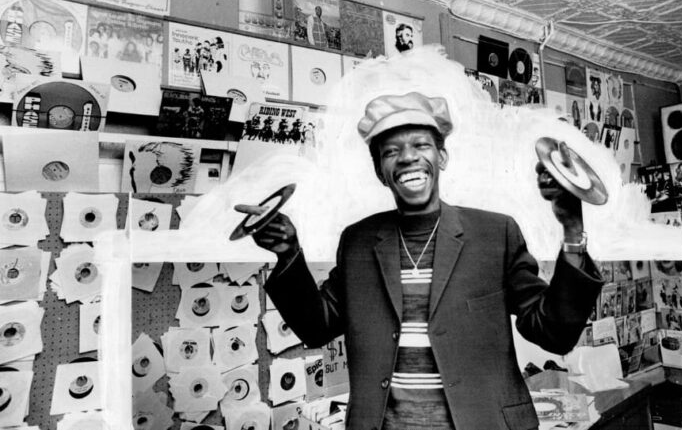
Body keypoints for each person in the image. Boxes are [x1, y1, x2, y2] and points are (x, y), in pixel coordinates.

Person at [238, 92, 603, 429]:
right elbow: (318, 327)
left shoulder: (495, 234)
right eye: (391, 151)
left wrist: (572, 228)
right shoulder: (358, 241)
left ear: (441, 157)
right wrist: (288, 254)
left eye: (421, 145)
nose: (408, 156)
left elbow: (553, 334)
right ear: (381, 171)